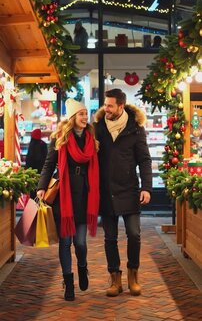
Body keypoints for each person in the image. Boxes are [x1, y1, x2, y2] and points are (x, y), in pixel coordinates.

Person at [37, 99, 99, 302]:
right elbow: (48, 165)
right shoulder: (60, 139)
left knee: (79, 243)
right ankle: (68, 282)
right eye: (80, 114)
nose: (84, 118)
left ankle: (82, 267)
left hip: (84, 195)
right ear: (72, 117)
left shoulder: (91, 139)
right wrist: (41, 188)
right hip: (64, 196)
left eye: (85, 114)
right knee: (65, 243)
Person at [93, 88, 152, 297]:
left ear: (120, 106)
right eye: (105, 105)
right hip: (106, 190)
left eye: (110, 105)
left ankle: (133, 275)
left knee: (134, 234)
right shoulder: (98, 128)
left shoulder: (135, 128)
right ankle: (115, 279)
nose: (105, 109)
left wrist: (146, 187)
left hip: (129, 189)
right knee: (110, 237)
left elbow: (144, 159)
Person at [25, 128, 47, 198]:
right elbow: (46, 158)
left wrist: (26, 170)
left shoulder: (31, 144)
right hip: (41, 172)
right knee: (40, 189)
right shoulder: (43, 144)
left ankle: (32, 204)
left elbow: (28, 159)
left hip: (31, 172)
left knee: (32, 190)